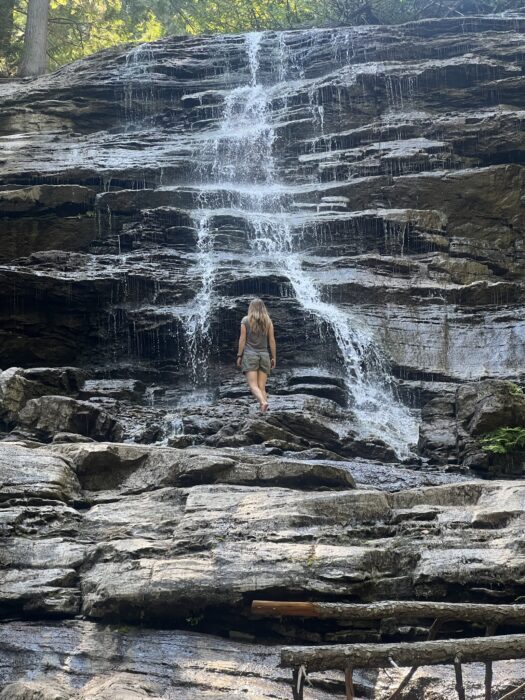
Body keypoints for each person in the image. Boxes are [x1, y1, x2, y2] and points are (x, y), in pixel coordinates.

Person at [236, 298, 276, 412]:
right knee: (261, 386)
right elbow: (272, 340)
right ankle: (264, 413)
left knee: (253, 386)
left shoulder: (245, 320)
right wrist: (273, 357)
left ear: (251, 308)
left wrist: (239, 355)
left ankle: (263, 402)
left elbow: (242, 339)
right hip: (264, 356)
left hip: (250, 355)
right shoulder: (268, 321)